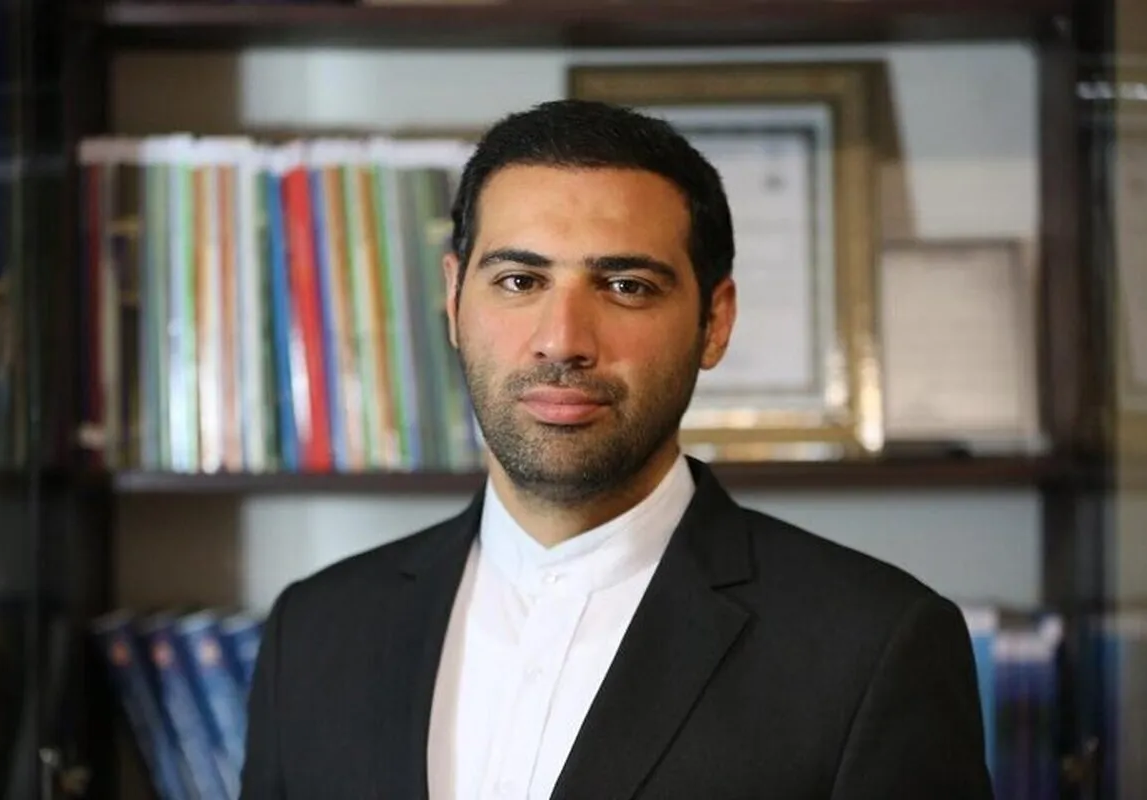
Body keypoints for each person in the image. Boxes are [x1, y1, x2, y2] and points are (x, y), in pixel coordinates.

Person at [240, 99, 993, 800]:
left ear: (715, 322)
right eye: (519, 280)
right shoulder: (314, 629)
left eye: (627, 286)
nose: (562, 340)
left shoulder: (874, 646)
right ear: (454, 298)